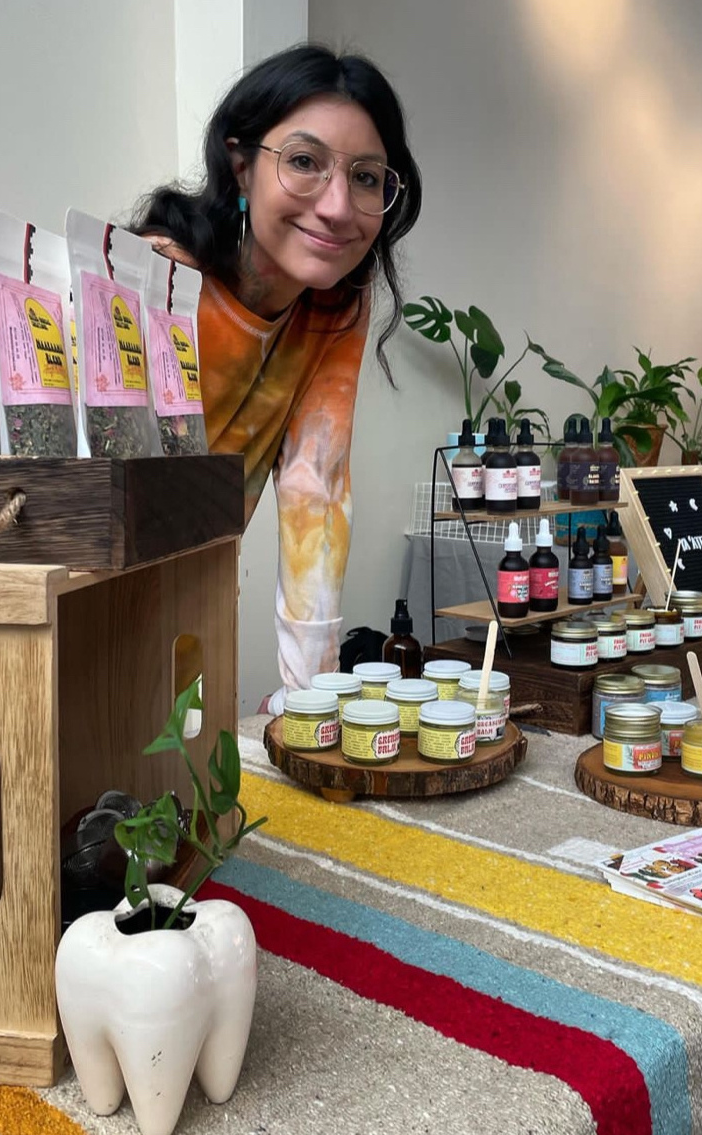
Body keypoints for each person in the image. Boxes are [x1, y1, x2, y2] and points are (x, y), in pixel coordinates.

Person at [133, 44, 422, 714]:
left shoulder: (337, 299)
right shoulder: (160, 281)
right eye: (303, 163)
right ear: (240, 165)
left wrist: (312, 702)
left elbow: (314, 485)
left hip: (190, 601)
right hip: (68, 608)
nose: (336, 207)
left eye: (367, 177)